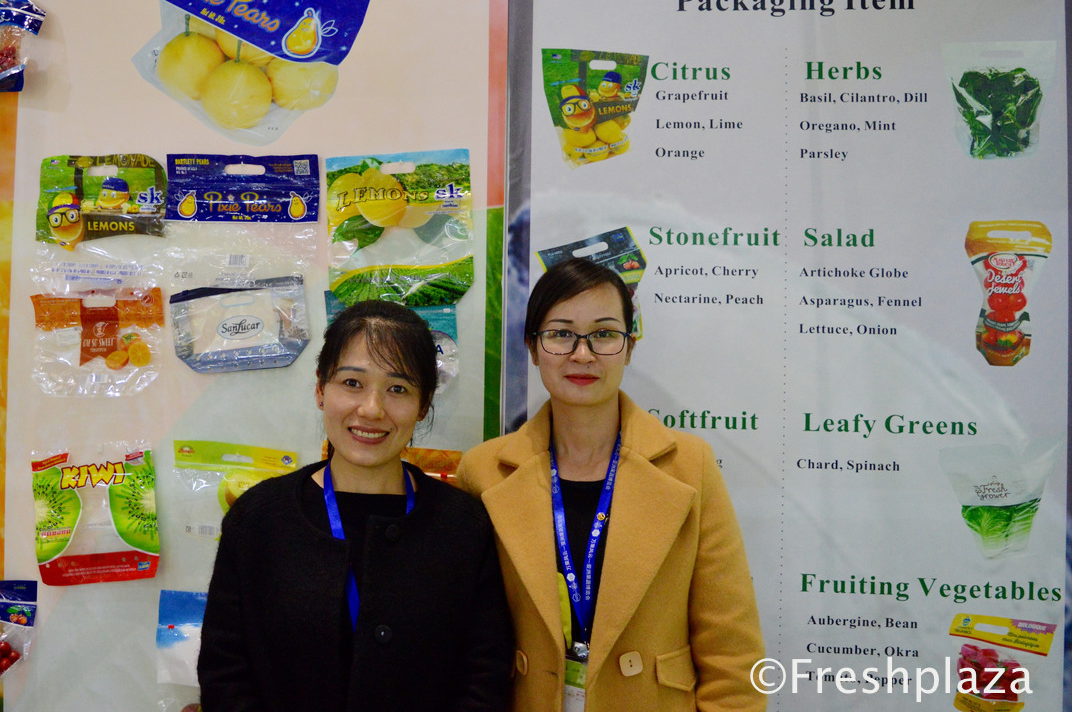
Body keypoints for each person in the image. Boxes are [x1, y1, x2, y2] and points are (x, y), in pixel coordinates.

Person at [458, 258, 765, 711]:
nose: (582, 354)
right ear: (533, 348)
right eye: (561, 334)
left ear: (629, 346)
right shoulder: (483, 471)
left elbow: (732, 656)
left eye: (603, 334)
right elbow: (465, 641)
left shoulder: (689, 466)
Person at [199, 299, 514, 712]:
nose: (371, 409)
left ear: (423, 405)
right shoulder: (258, 519)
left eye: (398, 389)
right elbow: (225, 674)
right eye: (352, 383)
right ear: (320, 390)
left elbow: (484, 676)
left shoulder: (462, 525)